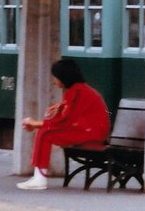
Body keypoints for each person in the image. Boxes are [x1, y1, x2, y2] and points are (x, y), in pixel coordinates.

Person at [17, 59, 110, 190]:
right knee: (45, 132)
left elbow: (65, 121)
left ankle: (40, 178)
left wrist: (35, 124)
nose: (54, 81)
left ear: (63, 77)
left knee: (45, 134)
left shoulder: (77, 92)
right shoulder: (79, 90)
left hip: (91, 135)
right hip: (91, 132)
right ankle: (38, 176)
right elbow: (66, 118)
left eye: (55, 78)